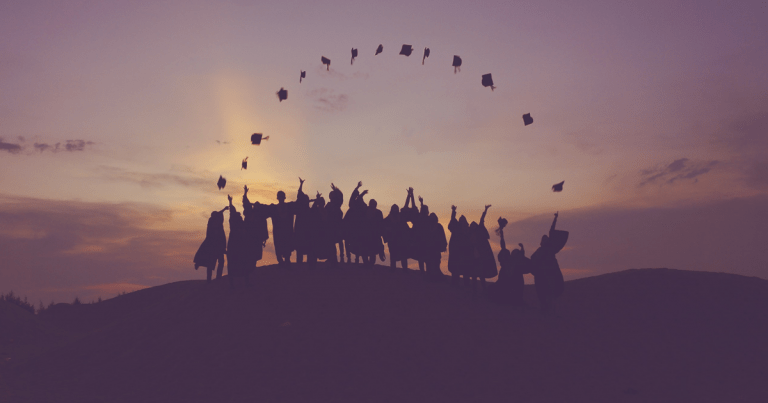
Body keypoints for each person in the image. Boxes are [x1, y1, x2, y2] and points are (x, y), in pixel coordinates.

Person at [530, 212, 568, 315]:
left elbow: (551, 231)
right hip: (541, 275)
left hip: (551, 273)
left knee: (550, 292)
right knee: (542, 292)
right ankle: (545, 308)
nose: (546, 240)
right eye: (544, 239)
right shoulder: (539, 251)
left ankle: (550, 309)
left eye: (546, 239)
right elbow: (532, 261)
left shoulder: (550, 249)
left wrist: (555, 219)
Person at [489, 217, 528, 307]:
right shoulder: (507, 259)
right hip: (504, 282)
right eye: (515, 252)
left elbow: (522, 256)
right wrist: (501, 233)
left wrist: (522, 248)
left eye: (516, 253)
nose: (515, 253)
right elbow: (503, 245)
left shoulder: (516, 264)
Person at [193, 205, 228, 282]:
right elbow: (218, 214)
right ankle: (210, 279)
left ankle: (217, 277)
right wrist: (224, 209)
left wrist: (224, 209)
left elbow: (218, 214)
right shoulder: (212, 223)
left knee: (219, 261)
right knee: (211, 263)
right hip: (213, 246)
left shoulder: (217, 225)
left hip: (218, 247)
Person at [469, 204, 498, 293]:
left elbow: (482, 220)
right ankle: (474, 291)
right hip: (473, 258)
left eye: (474, 224)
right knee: (474, 276)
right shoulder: (469, 235)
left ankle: (484, 290)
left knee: (481, 275)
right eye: (472, 225)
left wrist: (485, 210)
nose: (474, 225)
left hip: (480, 257)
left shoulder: (479, 232)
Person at [242, 185, 269, 271]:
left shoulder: (261, 216)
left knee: (255, 254)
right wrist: (245, 193)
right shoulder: (250, 212)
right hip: (249, 237)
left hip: (257, 238)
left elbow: (263, 227)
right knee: (249, 253)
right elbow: (246, 203)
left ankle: (252, 268)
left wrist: (263, 238)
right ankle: (249, 269)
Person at [268, 187, 297, 265]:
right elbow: (264, 208)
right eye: (279, 197)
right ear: (278, 198)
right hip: (278, 233)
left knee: (287, 247)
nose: (281, 198)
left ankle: (287, 261)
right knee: (278, 247)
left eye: (282, 196)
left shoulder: (290, 206)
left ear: (284, 198)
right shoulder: (274, 208)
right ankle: (281, 262)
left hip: (287, 232)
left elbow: (299, 203)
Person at [226, 194, 249, 288]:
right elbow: (232, 212)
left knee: (239, 263)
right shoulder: (237, 224)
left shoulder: (238, 224)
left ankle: (238, 283)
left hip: (237, 245)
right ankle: (235, 283)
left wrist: (230, 202)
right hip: (236, 245)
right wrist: (230, 202)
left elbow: (232, 212)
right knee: (236, 263)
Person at [447, 205, 472, 286]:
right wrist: (453, 211)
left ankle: (465, 284)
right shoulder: (456, 228)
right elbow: (453, 220)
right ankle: (456, 284)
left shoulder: (466, 231)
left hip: (464, 253)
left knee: (465, 270)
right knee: (456, 270)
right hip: (456, 252)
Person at [383, 203, 409, 271]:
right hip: (393, 240)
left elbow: (405, 208)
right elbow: (384, 229)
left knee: (403, 255)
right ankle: (394, 268)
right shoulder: (387, 220)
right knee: (393, 255)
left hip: (401, 240)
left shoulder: (401, 218)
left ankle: (404, 269)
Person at [293, 178, 312, 264]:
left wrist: (301, 185)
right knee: (301, 249)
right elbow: (299, 194)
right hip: (300, 232)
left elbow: (299, 194)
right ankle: (301, 264)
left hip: (305, 232)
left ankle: (303, 264)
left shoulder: (305, 210)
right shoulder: (300, 209)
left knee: (305, 248)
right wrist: (301, 185)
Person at [425, 212, 447, 281]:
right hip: (429, 248)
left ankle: (436, 278)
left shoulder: (439, 226)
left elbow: (443, 236)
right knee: (429, 263)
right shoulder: (427, 226)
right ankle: (430, 277)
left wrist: (443, 245)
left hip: (436, 248)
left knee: (436, 263)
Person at [362, 198, 385, 265]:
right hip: (367, 235)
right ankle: (367, 264)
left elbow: (381, 224)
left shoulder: (378, 212)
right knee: (367, 251)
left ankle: (370, 264)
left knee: (372, 251)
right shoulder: (365, 211)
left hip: (374, 235)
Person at [327, 183, 346, 263]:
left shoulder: (337, 205)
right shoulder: (329, 205)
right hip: (331, 226)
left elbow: (340, 196)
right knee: (332, 243)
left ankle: (341, 258)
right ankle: (332, 258)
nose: (331, 197)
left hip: (337, 226)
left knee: (339, 242)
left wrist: (335, 189)